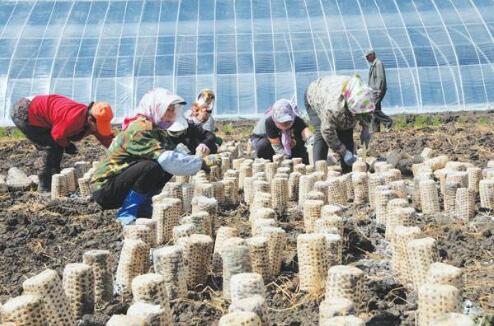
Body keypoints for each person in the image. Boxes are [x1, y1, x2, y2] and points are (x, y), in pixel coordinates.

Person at [91, 88, 211, 225]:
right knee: (152, 166)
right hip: (105, 190)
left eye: (173, 110)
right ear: (156, 108)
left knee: (164, 167)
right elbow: (167, 159)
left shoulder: (157, 129)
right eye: (167, 109)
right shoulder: (140, 129)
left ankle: (143, 207)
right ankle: (127, 213)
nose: (171, 114)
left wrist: (196, 159)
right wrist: (198, 164)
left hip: (119, 185)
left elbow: (175, 154)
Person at [10, 95, 114, 192]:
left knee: (57, 147)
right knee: (50, 147)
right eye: (99, 125)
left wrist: (120, 150)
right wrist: (68, 145)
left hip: (42, 113)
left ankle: (54, 176)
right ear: (90, 119)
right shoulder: (72, 119)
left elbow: (107, 139)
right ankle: (44, 185)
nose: (99, 129)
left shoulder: (92, 119)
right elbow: (58, 136)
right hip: (25, 112)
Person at [304, 75, 375, 173]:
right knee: (321, 133)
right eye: (356, 113)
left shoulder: (365, 95)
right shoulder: (333, 108)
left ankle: (348, 171)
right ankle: (319, 171)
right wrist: (343, 152)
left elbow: (366, 112)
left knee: (346, 131)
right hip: (314, 95)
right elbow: (327, 132)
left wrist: (365, 128)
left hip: (336, 95)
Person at [251, 99, 313, 164]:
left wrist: (311, 143)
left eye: (287, 122)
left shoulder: (296, 120)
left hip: (285, 141)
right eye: (281, 123)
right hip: (263, 139)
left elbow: (307, 134)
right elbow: (276, 146)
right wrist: (285, 160)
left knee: (301, 147)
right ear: (275, 120)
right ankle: (270, 162)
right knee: (263, 146)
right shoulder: (269, 122)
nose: (285, 125)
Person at [365, 49, 393, 132]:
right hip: (373, 91)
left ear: (372, 55)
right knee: (376, 108)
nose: (366, 59)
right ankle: (375, 129)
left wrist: (378, 91)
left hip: (377, 90)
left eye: (367, 56)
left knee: (373, 109)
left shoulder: (378, 64)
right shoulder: (373, 65)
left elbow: (381, 78)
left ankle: (388, 122)